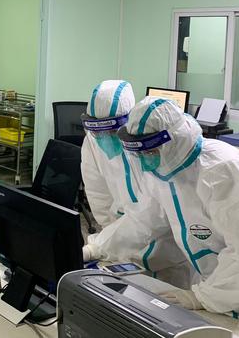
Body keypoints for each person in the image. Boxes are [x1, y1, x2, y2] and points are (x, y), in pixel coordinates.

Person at [86, 96, 239, 337]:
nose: (147, 160)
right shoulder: (165, 172)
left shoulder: (225, 171)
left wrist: (204, 296)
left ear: (174, 141)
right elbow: (142, 220)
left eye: (151, 150)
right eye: (141, 153)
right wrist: (98, 247)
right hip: (231, 292)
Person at [80, 80, 191, 288]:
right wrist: (109, 242)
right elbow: (98, 195)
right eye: (98, 132)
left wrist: (99, 246)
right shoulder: (93, 142)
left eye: (112, 131)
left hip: (166, 253)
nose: (104, 138)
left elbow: (152, 215)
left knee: (169, 309)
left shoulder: (150, 148)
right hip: (119, 246)